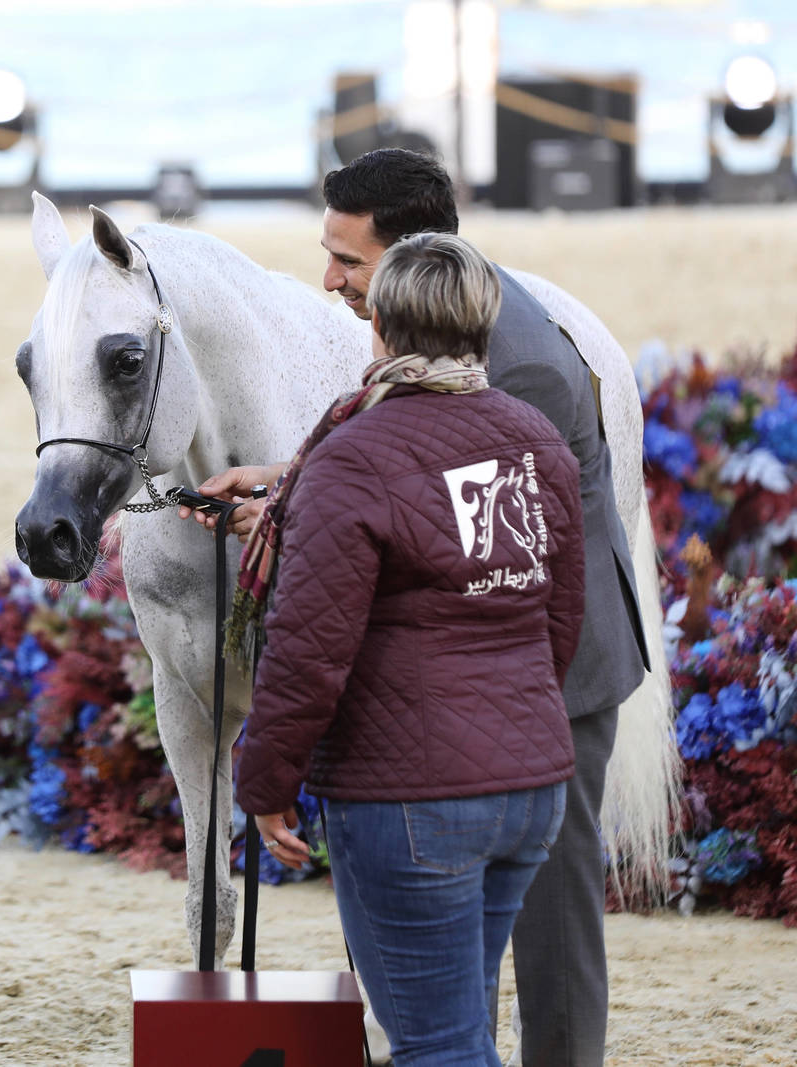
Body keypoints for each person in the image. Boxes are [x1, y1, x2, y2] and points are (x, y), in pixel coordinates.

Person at [192, 148, 648, 1066]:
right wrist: (294, 490)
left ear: (409, 260)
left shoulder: (519, 369)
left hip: (540, 679)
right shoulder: (470, 322)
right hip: (516, 664)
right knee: (454, 989)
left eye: (348, 262)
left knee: (544, 945)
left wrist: (307, 508)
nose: (329, 282)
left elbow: (435, 493)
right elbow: (432, 466)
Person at [235, 232, 582, 1065]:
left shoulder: (354, 457)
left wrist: (265, 777)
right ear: (483, 324)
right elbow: (559, 625)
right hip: (530, 785)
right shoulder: (536, 438)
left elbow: (309, 651)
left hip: (410, 798)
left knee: (434, 1046)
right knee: (460, 1033)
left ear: (381, 324)